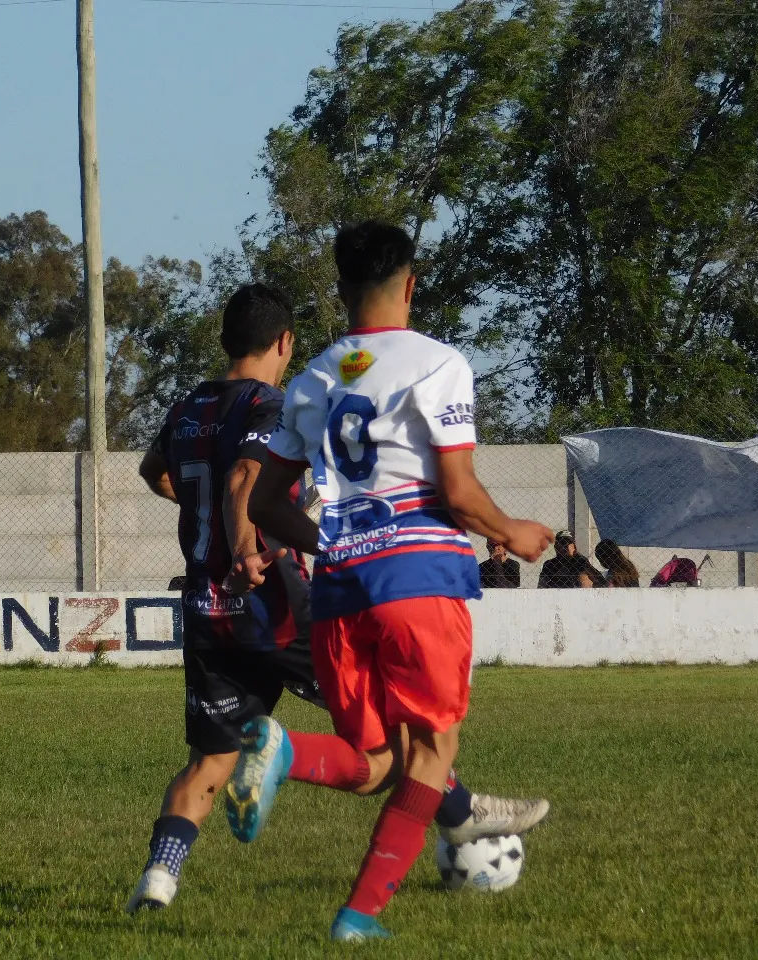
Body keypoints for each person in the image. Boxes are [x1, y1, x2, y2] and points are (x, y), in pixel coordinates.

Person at [125, 282, 548, 916]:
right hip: (275, 603)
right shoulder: (270, 404)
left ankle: (159, 878)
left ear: (226, 339)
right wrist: (248, 545)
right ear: (285, 342)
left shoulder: (188, 407)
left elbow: (154, 471)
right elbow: (245, 478)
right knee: (395, 736)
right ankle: (461, 811)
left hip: (209, 610)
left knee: (210, 759)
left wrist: (204, 515)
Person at [225, 221, 553, 941]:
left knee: (380, 763)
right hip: (420, 577)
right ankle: (358, 917)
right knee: (434, 752)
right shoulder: (439, 364)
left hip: (343, 591)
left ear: (342, 288)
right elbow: (458, 491)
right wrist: (512, 532)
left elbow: (266, 504)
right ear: (411, 283)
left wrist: (337, 544)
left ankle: (285, 752)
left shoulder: (312, 378)